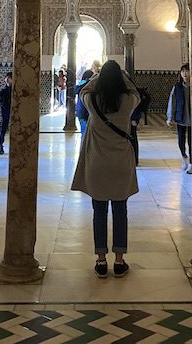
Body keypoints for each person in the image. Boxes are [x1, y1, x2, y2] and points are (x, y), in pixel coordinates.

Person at [71, 60, 140, 278]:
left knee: (99, 211)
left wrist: (97, 76)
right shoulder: (128, 101)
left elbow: (84, 89)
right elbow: (134, 91)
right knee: (120, 211)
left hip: (97, 164)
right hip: (120, 163)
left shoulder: (92, 100)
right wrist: (122, 76)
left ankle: (101, 260)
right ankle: (119, 261)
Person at [166, 63, 192, 173]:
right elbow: (172, 102)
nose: (185, 73)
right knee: (181, 141)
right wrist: (169, 117)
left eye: (187, 71)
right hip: (181, 117)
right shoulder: (177, 87)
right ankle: (184, 156)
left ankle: (191, 163)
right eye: (183, 71)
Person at [75, 69, 93, 137]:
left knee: (83, 132)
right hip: (87, 111)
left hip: (80, 111)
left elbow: (76, 90)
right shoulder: (89, 84)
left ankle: (83, 142)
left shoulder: (80, 84)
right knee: (88, 133)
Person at [0, 72, 13, 154]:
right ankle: (0, 145)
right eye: (6, 77)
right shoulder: (3, 90)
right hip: (6, 112)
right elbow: (1, 102)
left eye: (9, 77)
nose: (7, 79)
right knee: (3, 129)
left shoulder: (15, 91)